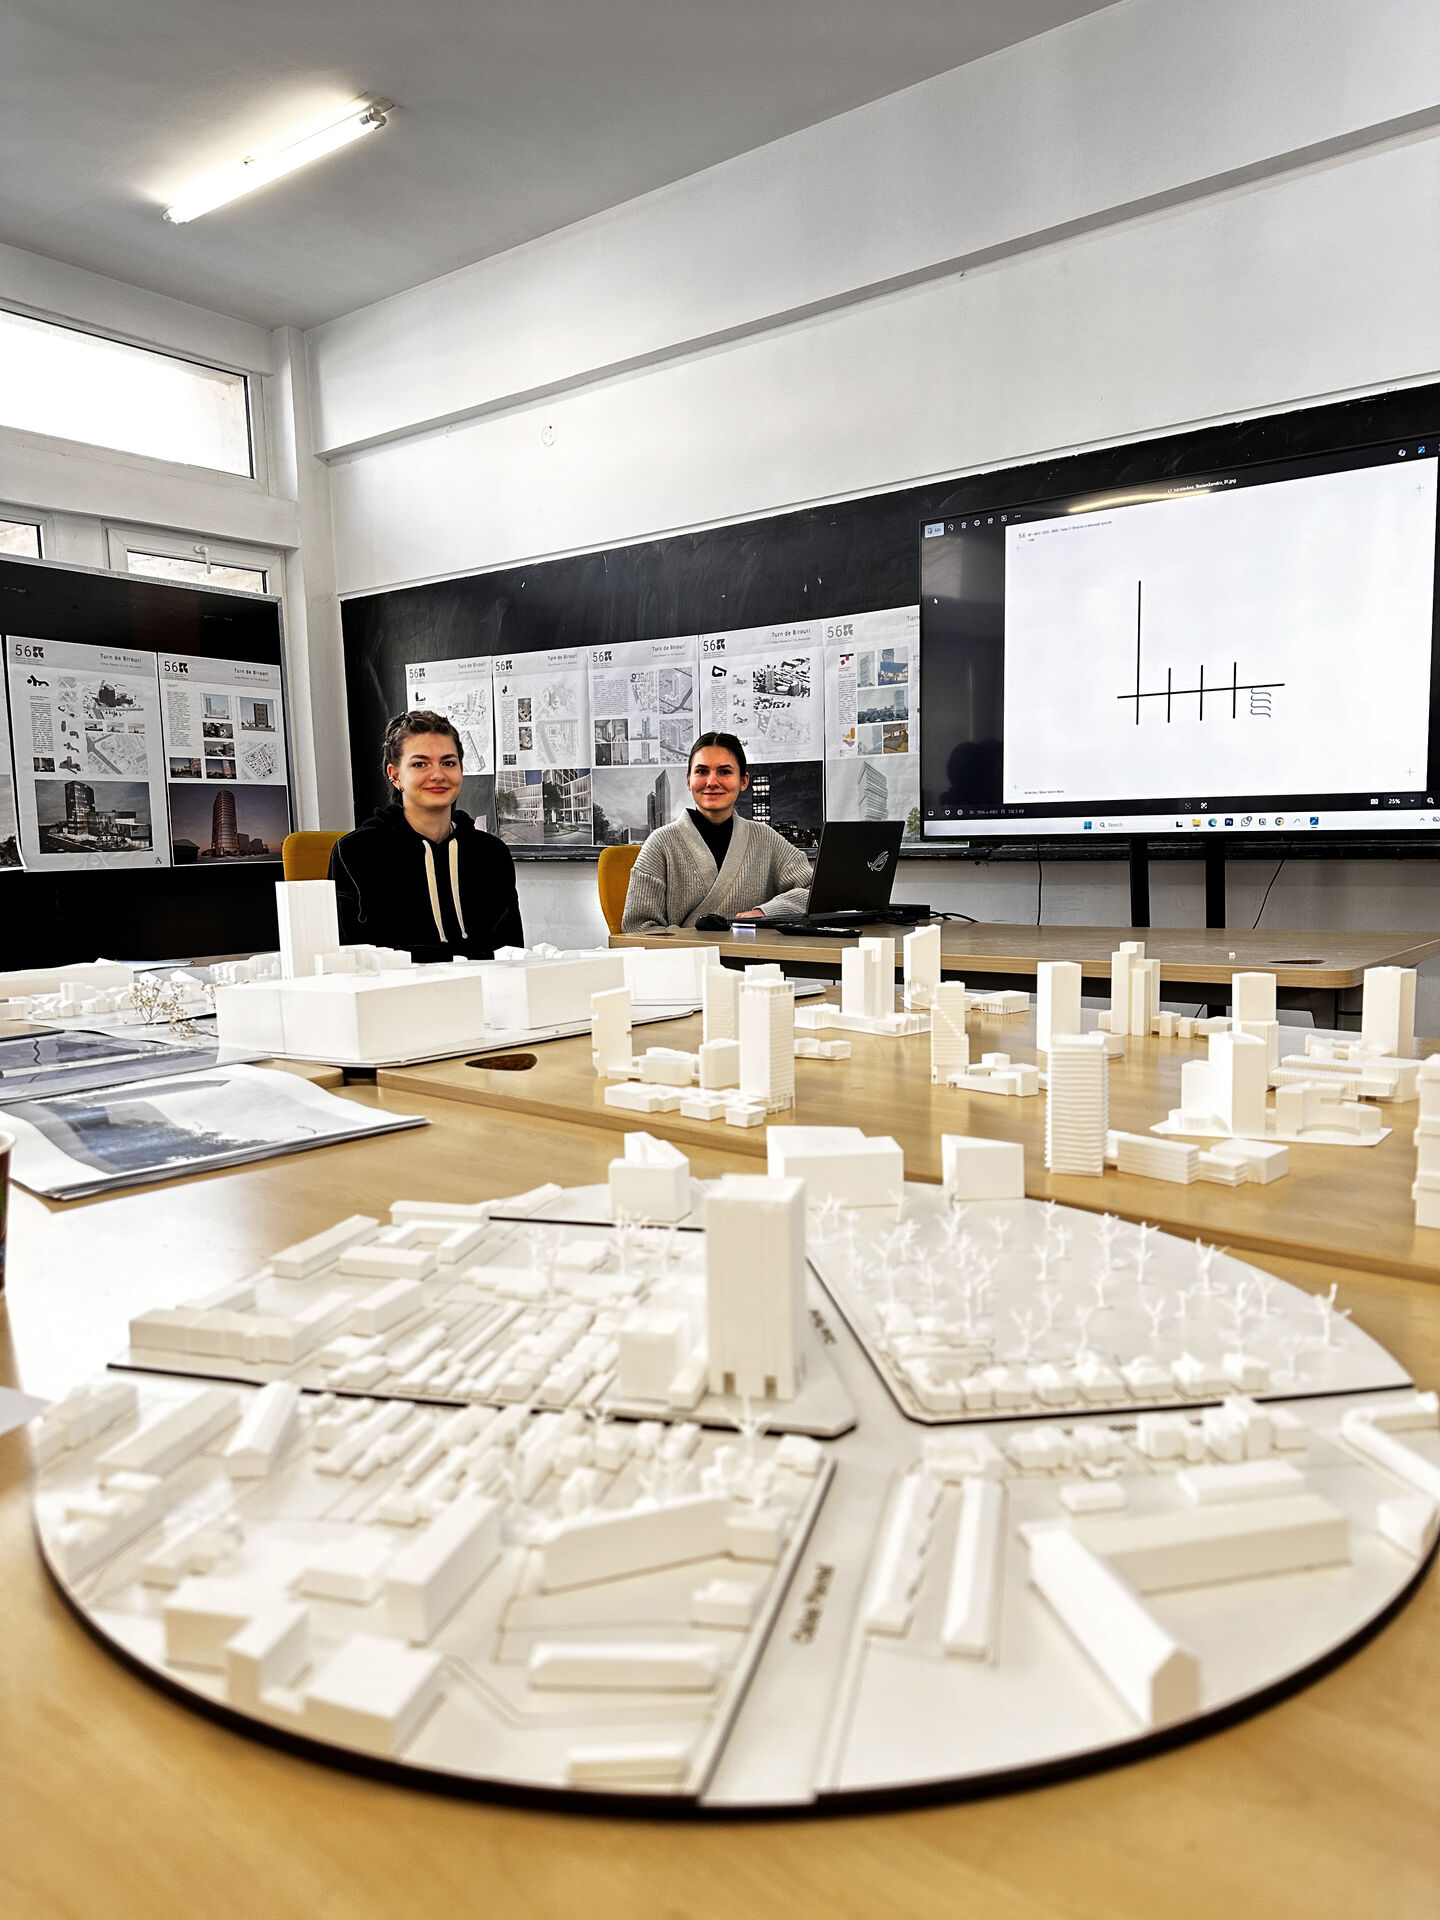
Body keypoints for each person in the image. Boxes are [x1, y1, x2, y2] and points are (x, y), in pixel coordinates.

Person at [329, 709, 524, 960]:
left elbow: (512, 954)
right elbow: (352, 958)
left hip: (486, 984)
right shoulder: (356, 852)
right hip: (396, 985)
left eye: (448, 763)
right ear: (395, 775)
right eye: (420, 764)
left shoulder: (492, 853)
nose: (437, 775)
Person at [621, 731, 812, 931]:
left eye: (724, 772)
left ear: (743, 781)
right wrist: (694, 944)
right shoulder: (660, 843)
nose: (712, 782)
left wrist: (766, 912)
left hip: (751, 950)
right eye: (702, 771)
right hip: (683, 951)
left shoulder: (766, 838)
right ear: (688, 780)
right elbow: (637, 927)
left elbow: (814, 892)